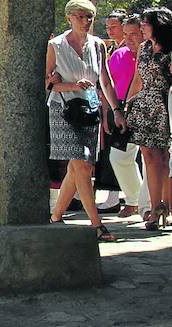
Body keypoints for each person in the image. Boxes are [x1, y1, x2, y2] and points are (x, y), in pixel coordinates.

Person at [46, 0, 121, 241]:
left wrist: (116, 109)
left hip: (89, 109)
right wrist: (69, 85)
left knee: (79, 167)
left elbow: (105, 81)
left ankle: (56, 216)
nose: (85, 21)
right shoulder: (55, 45)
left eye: (89, 17)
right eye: (80, 16)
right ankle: (97, 225)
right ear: (69, 18)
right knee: (81, 166)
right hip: (64, 109)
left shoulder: (98, 45)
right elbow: (46, 83)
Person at [117, 7, 172, 231]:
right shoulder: (144, 47)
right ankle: (155, 206)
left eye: (145, 23)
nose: (142, 27)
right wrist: (126, 106)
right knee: (148, 157)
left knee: (164, 158)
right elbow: (137, 79)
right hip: (143, 105)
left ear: (158, 25)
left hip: (164, 104)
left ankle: (165, 206)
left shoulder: (169, 49)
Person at [106, 14, 147, 219]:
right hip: (122, 109)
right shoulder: (119, 54)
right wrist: (109, 112)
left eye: (134, 34)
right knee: (119, 156)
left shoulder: (151, 54)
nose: (129, 39)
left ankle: (146, 205)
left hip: (149, 107)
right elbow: (106, 84)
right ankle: (134, 198)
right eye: (126, 34)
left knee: (150, 158)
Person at [94, 9, 130, 213]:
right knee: (111, 151)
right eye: (107, 27)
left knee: (120, 151)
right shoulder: (111, 49)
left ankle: (118, 196)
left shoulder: (129, 51)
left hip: (122, 103)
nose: (109, 30)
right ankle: (114, 196)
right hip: (111, 103)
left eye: (113, 26)